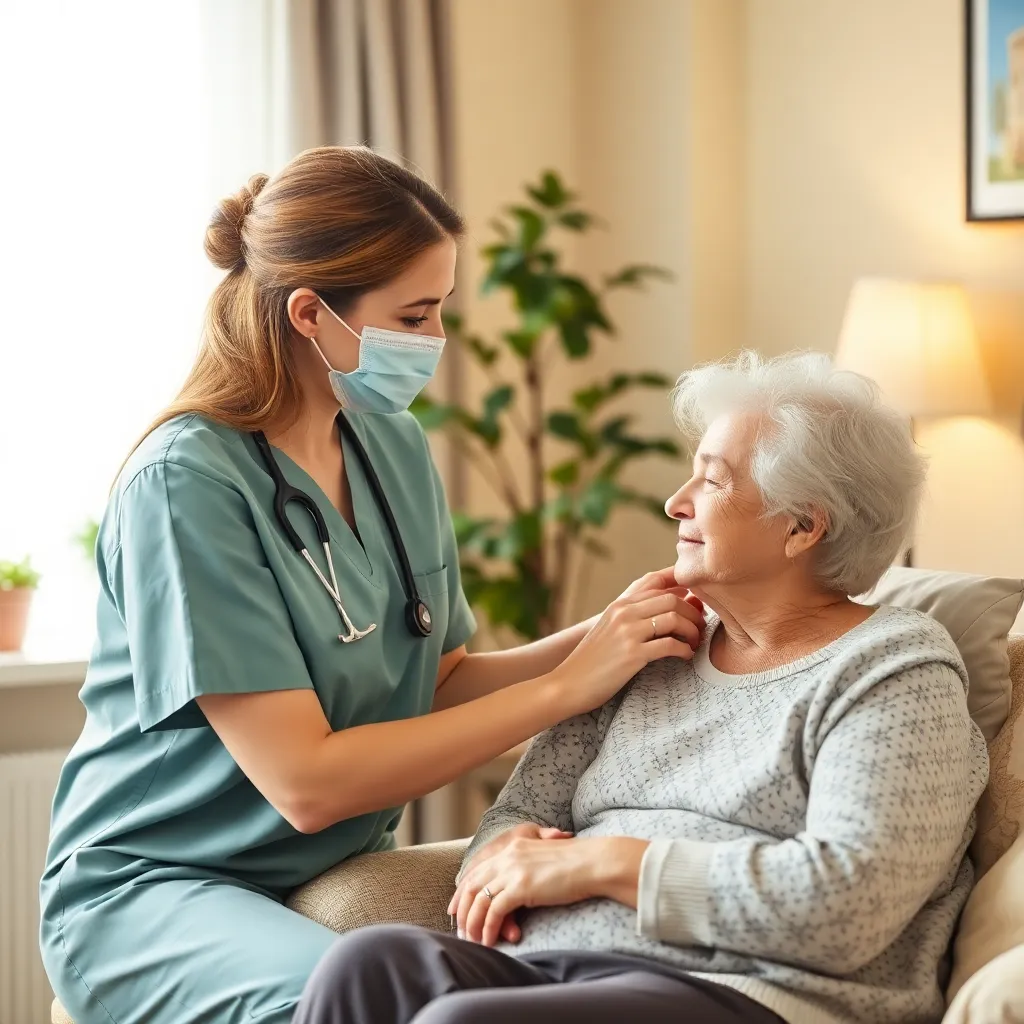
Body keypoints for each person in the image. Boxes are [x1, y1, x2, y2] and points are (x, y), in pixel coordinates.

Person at [38, 146, 704, 1024]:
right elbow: (305, 784)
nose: (436, 343)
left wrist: (609, 632)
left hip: (318, 871)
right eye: (416, 315)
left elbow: (437, 677)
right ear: (310, 314)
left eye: (441, 311)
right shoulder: (186, 483)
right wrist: (562, 691)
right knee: (379, 1004)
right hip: (157, 886)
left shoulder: (389, 444)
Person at [295, 351, 990, 1024]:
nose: (674, 502)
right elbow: (513, 823)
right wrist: (506, 859)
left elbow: (849, 905)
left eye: (712, 481)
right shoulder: (654, 644)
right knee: (369, 962)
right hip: (559, 966)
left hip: (755, 992)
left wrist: (603, 862)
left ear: (803, 526)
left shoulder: (891, 668)